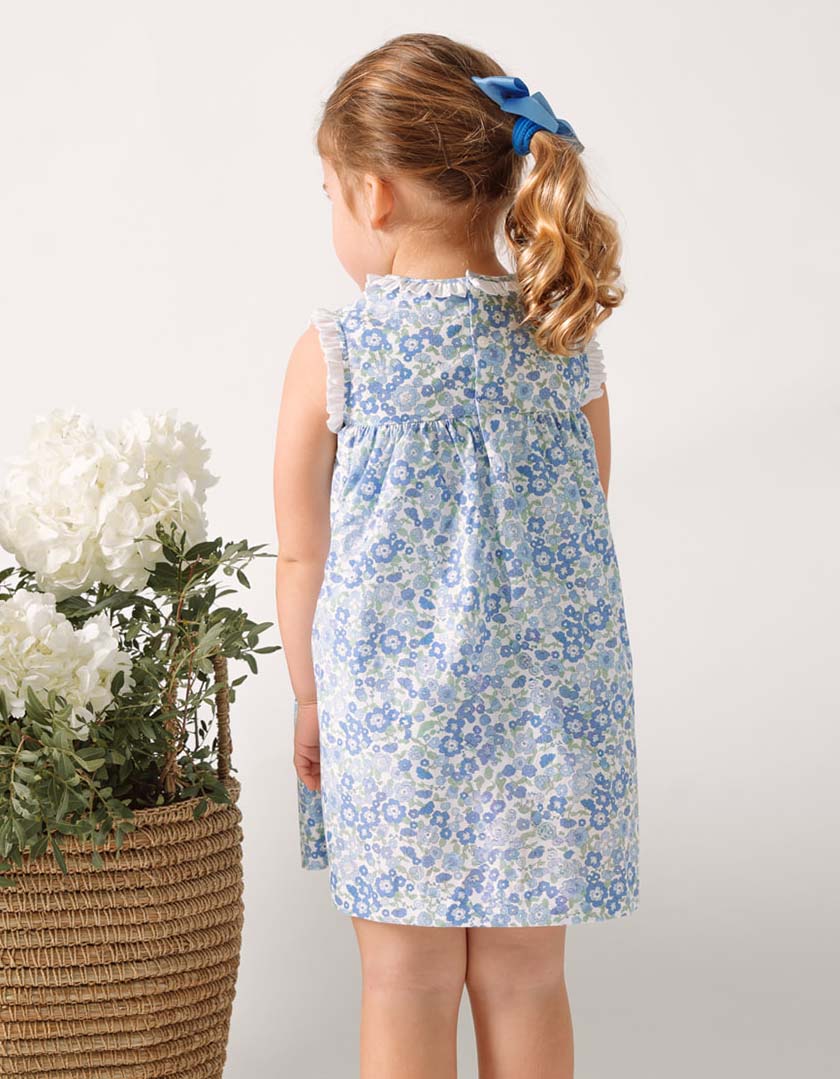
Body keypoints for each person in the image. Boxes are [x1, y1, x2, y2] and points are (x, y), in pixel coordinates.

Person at [273, 32, 640, 1079]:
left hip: (392, 718)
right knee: (529, 976)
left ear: (374, 195)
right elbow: (583, 512)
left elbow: (302, 553)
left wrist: (311, 697)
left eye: (331, 193)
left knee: (403, 978)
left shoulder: (336, 351)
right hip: (551, 709)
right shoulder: (563, 339)